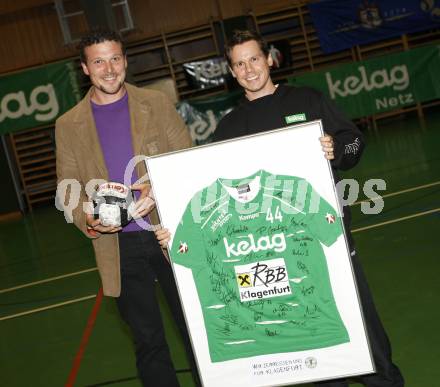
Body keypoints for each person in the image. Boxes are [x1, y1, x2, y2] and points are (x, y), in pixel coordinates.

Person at [156, 29, 404, 387]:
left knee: (370, 346)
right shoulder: (227, 129)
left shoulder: (307, 99)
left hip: (326, 245)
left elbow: (354, 144)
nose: (249, 69)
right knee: (318, 361)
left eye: (254, 59)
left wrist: (337, 147)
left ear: (269, 59)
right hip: (270, 258)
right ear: (232, 71)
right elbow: (208, 193)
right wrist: (172, 226)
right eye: (239, 64)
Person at [55, 29, 198, 387]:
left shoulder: (156, 103)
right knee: (149, 343)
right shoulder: (68, 124)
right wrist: (86, 216)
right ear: (85, 69)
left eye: (114, 58)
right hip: (118, 249)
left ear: (125, 60)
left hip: (170, 235)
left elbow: (188, 160)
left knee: (198, 330)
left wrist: (160, 185)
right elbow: (67, 186)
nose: (108, 69)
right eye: (98, 61)